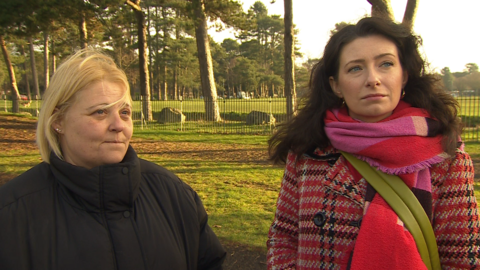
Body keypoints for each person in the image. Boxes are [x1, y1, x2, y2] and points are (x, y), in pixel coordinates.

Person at [267, 17, 480, 270]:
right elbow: (283, 237)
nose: (373, 79)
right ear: (335, 85)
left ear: (404, 76)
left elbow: (461, 261)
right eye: (356, 68)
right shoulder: (307, 150)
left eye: (386, 64)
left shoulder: (446, 157)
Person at [0, 49, 226, 270]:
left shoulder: (174, 194)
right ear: (57, 120)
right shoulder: (11, 214)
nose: (118, 125)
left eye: (125, 113)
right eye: (100, 112)